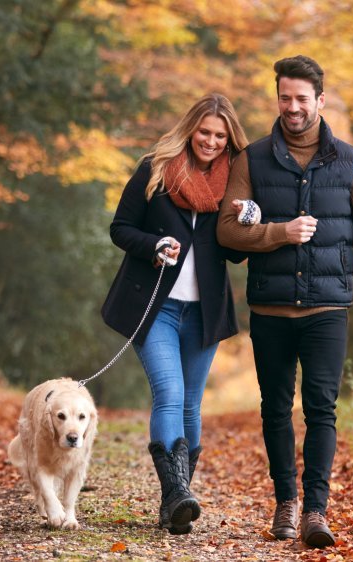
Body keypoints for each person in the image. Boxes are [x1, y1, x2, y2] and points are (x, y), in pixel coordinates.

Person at [217, 56, 353, 548]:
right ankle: (286, 503)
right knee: (276, 409)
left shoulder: (349, 162)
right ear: (277, 98)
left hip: (327, 310)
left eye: (302, 99)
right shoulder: (252, 160)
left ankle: (316, 512)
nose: (293, 107)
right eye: (285, 98)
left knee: (322, 409)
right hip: (270, 310)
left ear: (320, 101)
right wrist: (279, 233)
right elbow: (226, 231)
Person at [101, 93, 249, 535]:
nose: (211, 141)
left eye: (220, 136)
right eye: (204, 132)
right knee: (169, 392)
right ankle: (177, 495)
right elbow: (120, 228)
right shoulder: (156, 169)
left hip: (204, 312)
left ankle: (175, 500)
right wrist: (153, 246)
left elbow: (236, 256)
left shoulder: (236, 183)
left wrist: (246, 220)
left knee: (191, 403)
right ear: (190, 129)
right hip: (156, 306)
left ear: (229, 140)